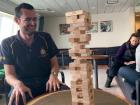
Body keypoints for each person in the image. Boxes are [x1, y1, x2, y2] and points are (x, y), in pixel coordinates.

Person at [1, 3, 69, 105]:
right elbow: (9, 74)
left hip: (48, 81)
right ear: (17, 20)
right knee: (16, 101)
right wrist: (17, 83)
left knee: (69, 95)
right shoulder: (7, 43)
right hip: (23, 84)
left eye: (35, 19)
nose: (33, 23)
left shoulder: (45, 37)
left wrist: (53, 75)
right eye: (27, 20)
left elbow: (54, 64)